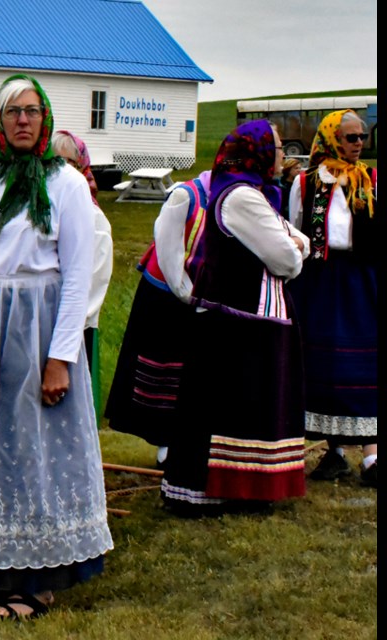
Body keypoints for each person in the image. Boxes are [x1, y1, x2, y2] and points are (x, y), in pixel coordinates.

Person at [0, 74, 113, 620]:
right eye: (13, 112)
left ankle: (34, 582)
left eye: (32, 111)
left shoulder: (67, 186)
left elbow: (77, 279)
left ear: (46, 118)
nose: (23, 120)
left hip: (35, 328)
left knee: (32, 447)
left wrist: (60, 359)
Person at [161, 120, 310, 515]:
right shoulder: (241, 197)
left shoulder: (255, 194)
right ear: (258, 152)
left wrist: (295, 246)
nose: (282, 157)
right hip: (238, 321)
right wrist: (294, 251)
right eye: (277, 149)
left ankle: (243, 487)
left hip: (246, 317)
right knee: (234, 404)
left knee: (244, 403)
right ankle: (219, 489)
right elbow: (286, 258)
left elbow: (301, 242)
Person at [288, 110, 377, 486]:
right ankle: (335, 451)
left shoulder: (371, 181)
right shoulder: (306, 184)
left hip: (362, 280)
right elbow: (292, 230)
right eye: (351, 137)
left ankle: (373, 456)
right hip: (320, 281)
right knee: (325, 364)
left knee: (366, 364)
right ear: (330, 139)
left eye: (362, 138)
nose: (359, 145)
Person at [104, 169, 212, 467]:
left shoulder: (238, 198)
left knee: (193, 372)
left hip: (201, 296)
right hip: (165, 294)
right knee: (164, 368)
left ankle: (189, 438)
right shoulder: (186, 196)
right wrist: (189, 296)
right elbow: (168, 253)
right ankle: (165, 442)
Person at [50, 130, 113, 413]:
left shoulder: (94, 218)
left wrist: (64, 321)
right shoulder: (41, 211)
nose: (61, 170)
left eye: (69, 163)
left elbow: (94, 282)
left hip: (73, 330)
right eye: (53, 162)